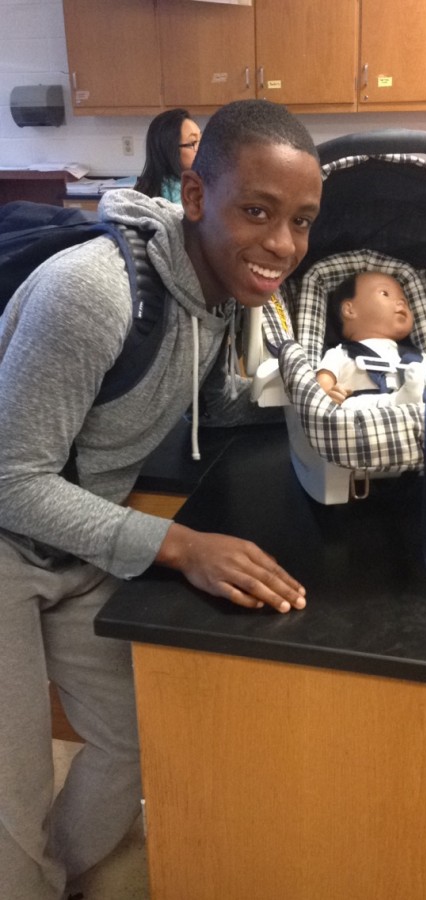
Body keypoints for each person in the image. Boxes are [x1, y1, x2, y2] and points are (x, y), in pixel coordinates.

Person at [0, 99, 322, 900]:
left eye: (302, 221)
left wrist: (321, 407)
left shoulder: (214, 291)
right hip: (8, 540)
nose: (281, 245)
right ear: (195, 196)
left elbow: (208, 405)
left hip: (78, 546)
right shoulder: (92, 294)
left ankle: (55, 879)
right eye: (258, 211)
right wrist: (179, 546)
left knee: (136, 736)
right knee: (13, 785)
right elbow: (12, 480)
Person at [316, 271, 426, 411]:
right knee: (349, 407)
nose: (401, 302)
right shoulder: (341, 353)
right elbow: (323, 380)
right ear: (349, 310)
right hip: (371, 414)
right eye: (385, 293)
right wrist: (327, 395)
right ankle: (402, 400)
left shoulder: (415, 355)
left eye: (405, 300)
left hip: (425, 411)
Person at [134, 107, 201, 203]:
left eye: (201, 139)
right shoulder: (164, 202)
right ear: (171, 150)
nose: (202, 147)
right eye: (193, 142)